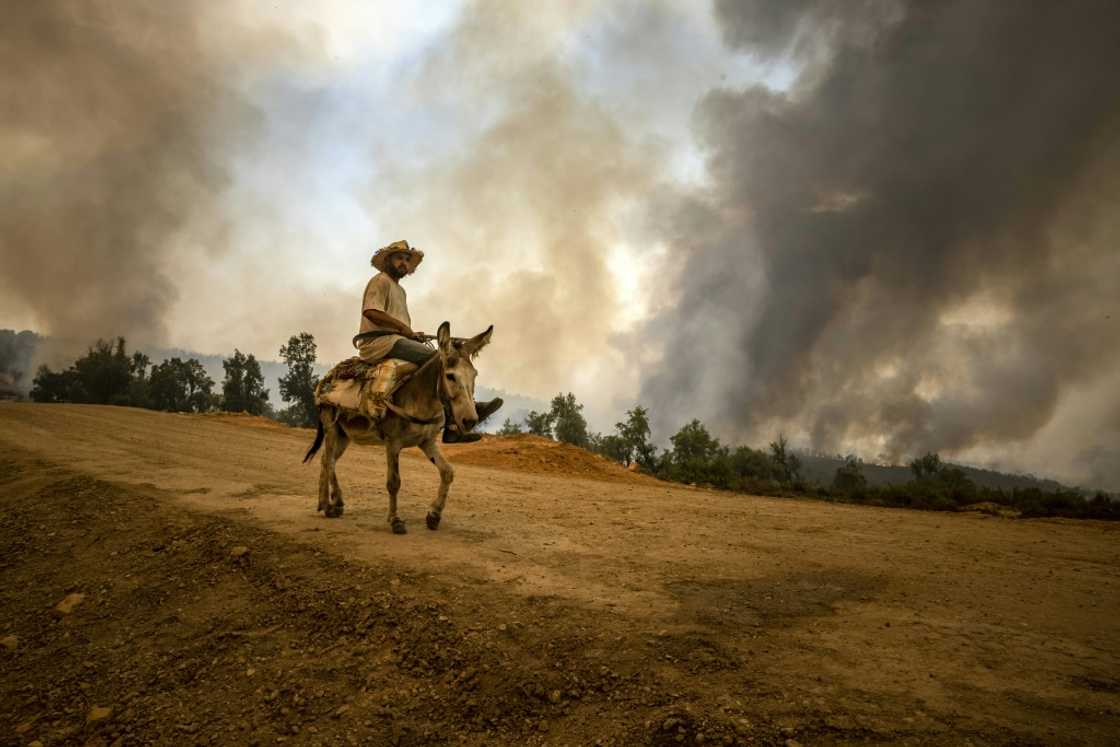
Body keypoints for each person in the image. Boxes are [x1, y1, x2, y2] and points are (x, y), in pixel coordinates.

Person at [354, 239, 501, 442]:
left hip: (394, 340)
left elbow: (396, 325)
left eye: (406, 259)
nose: (403, 263)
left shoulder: (400, 290)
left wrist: (411, 334)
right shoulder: (380, 281)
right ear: (388, 260)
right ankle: (451, 427)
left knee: (442, 364)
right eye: (399, 258)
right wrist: (404, 329)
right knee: (439, 362)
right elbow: (371, 311)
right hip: (378, 343)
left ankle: (453, 411)